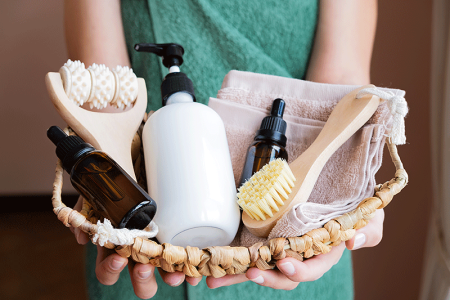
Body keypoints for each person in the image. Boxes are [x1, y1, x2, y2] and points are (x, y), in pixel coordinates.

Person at [65, 0, 382, 299]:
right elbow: (106, 86)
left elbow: (340, 82)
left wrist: (342, 198)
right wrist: (113, 180)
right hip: (145, 245)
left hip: (299, 239)